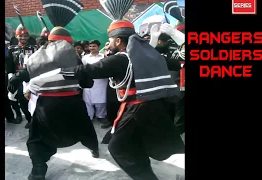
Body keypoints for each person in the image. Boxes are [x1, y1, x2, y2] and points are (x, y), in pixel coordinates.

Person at [53, 1, 185, 179]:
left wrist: (57, 73)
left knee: (118, 147)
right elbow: (176, 63)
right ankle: (145, 168)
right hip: (155, 107)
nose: (108, 43)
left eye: (109, 40)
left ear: (117, 40)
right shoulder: (149, 55)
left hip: (137, 109)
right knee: (135, 143)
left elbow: (89, 70)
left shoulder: (120, 59)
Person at [8, 1, 99, 179]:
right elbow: (88, 83)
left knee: (36, 138)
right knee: (85, 128)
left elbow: (24, 75)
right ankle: (94, 149)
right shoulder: (74, 57)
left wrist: (15, 79)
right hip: (73, 103)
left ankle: (38, 171)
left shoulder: (36, 57)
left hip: (46, 106)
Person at [82, 40, 109, 123]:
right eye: (90, 46)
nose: (92, 48)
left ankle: (101, 116)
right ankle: (89, 116)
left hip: (101, 82)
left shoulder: (104, 57)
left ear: (99, 47)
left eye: (94, 46)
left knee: (101, 101)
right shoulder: (85, 58)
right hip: (89, 82)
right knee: (87, 101)